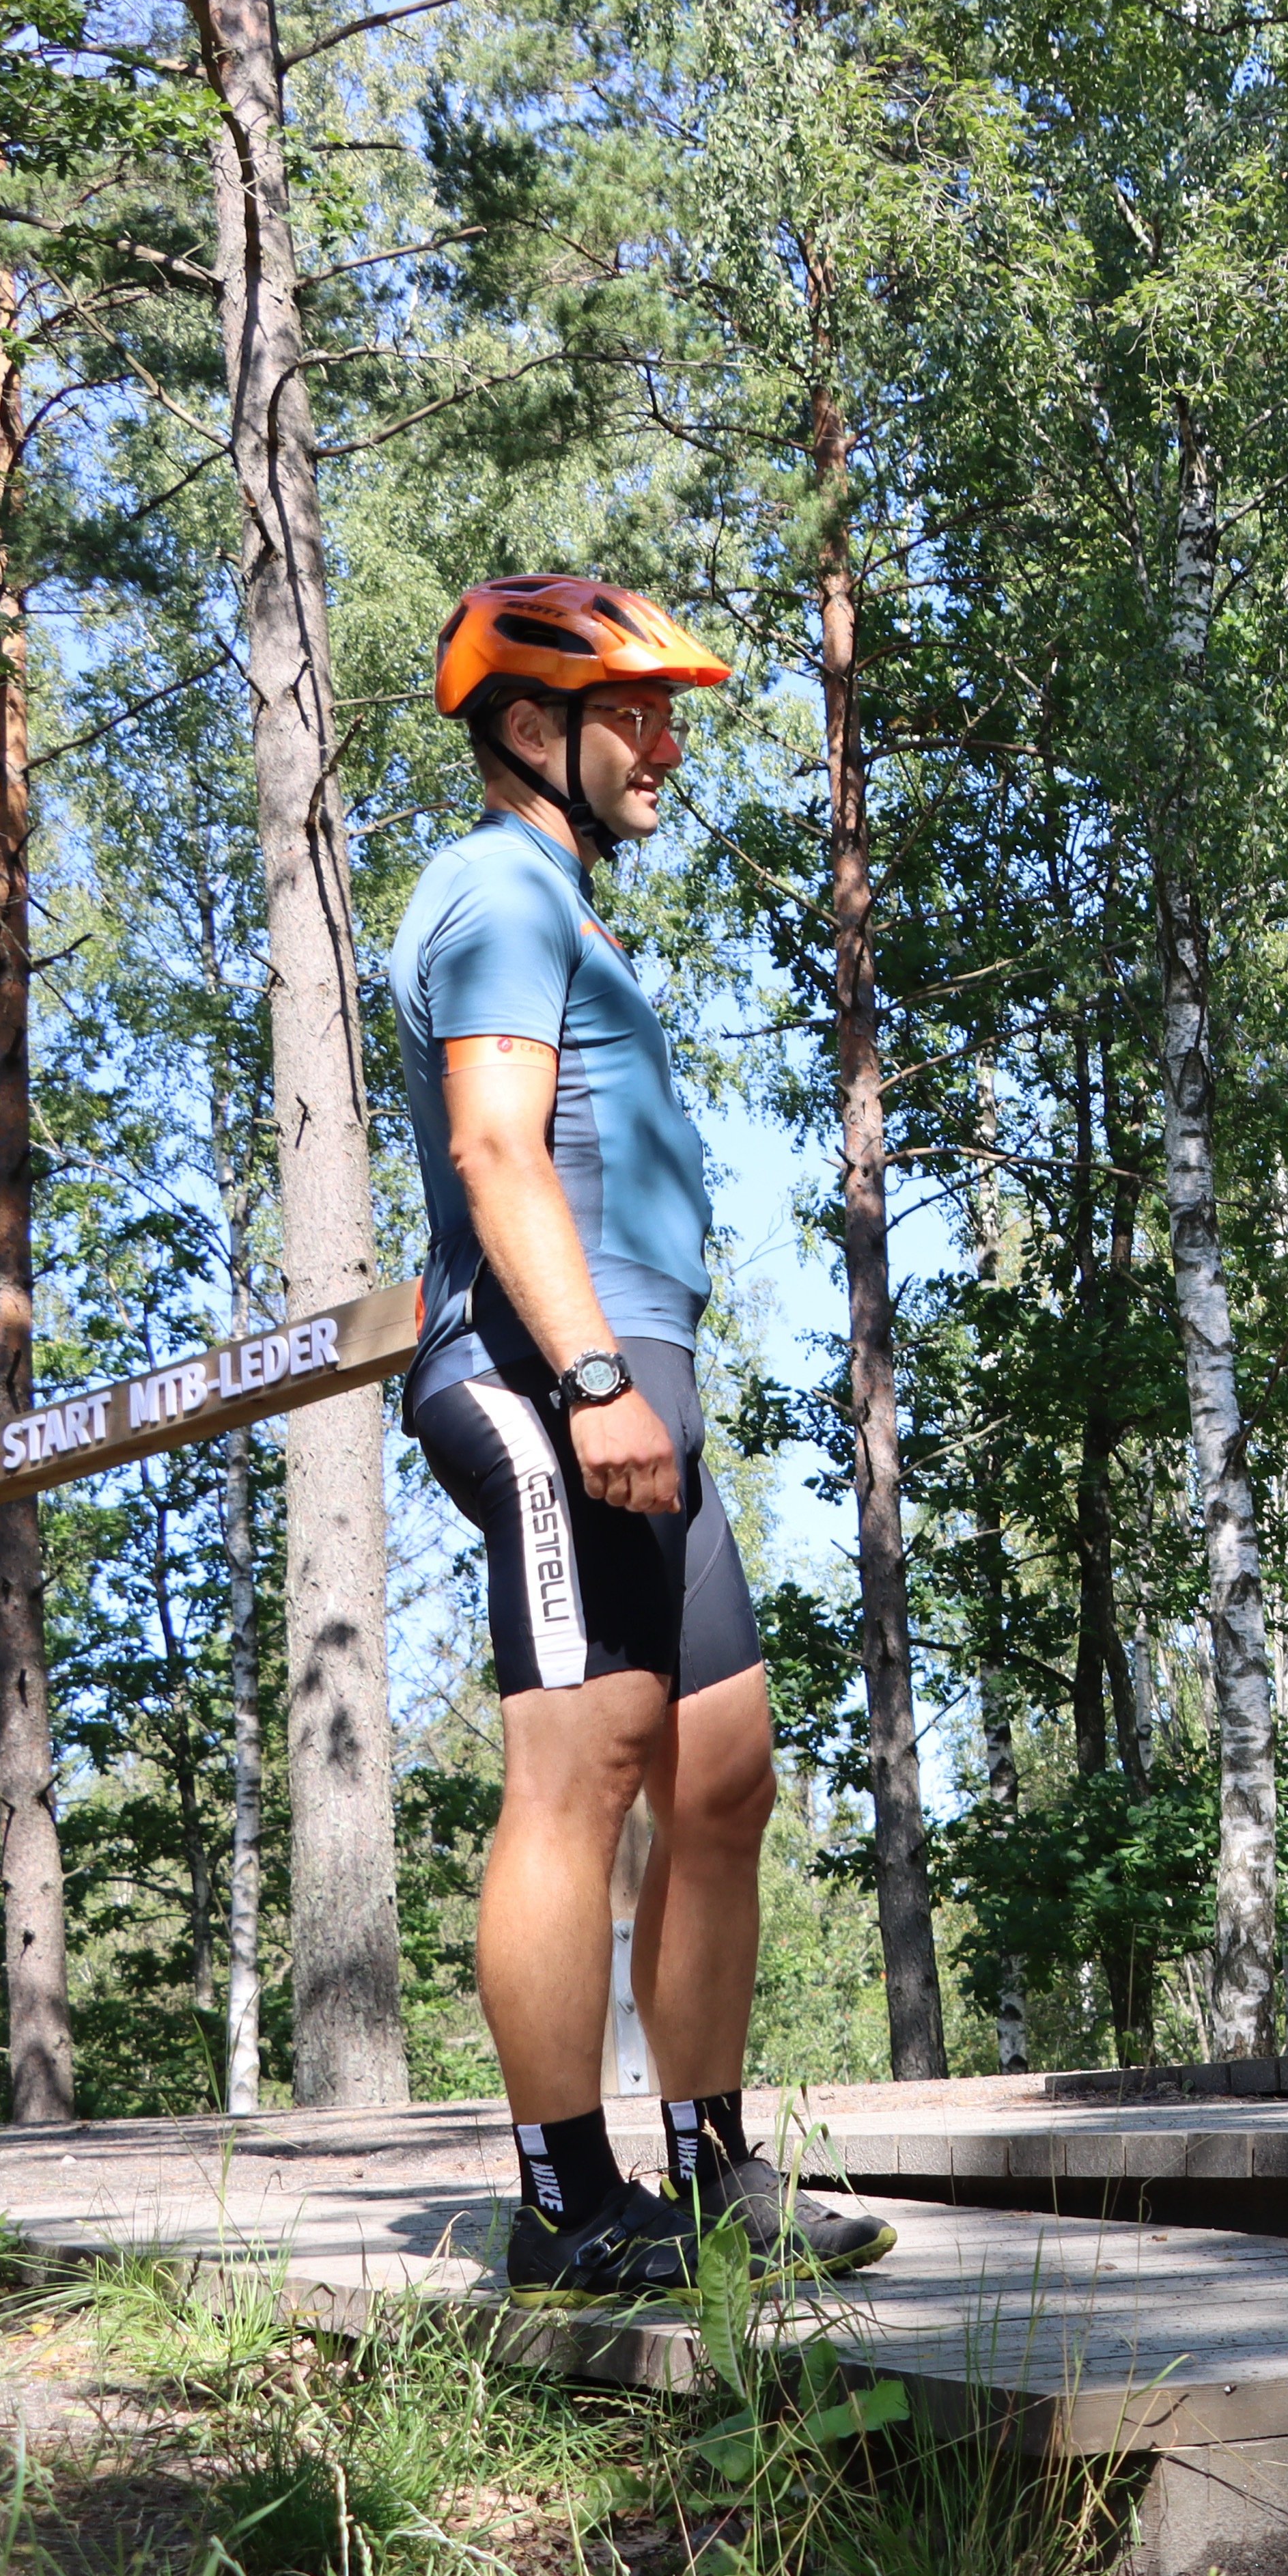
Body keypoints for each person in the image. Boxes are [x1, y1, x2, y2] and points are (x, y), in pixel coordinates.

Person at [391, 573, 898, 2303]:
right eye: (637, 715)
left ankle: (707, 2165)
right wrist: (593, 1374)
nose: (669, 745)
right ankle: (565, 2202)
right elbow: (493, 1149)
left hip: (632, 1384)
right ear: (532, 729)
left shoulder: (564, 904)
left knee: (724, 1779)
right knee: (582, 1773)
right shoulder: (496, 883)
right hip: (553, 1387)